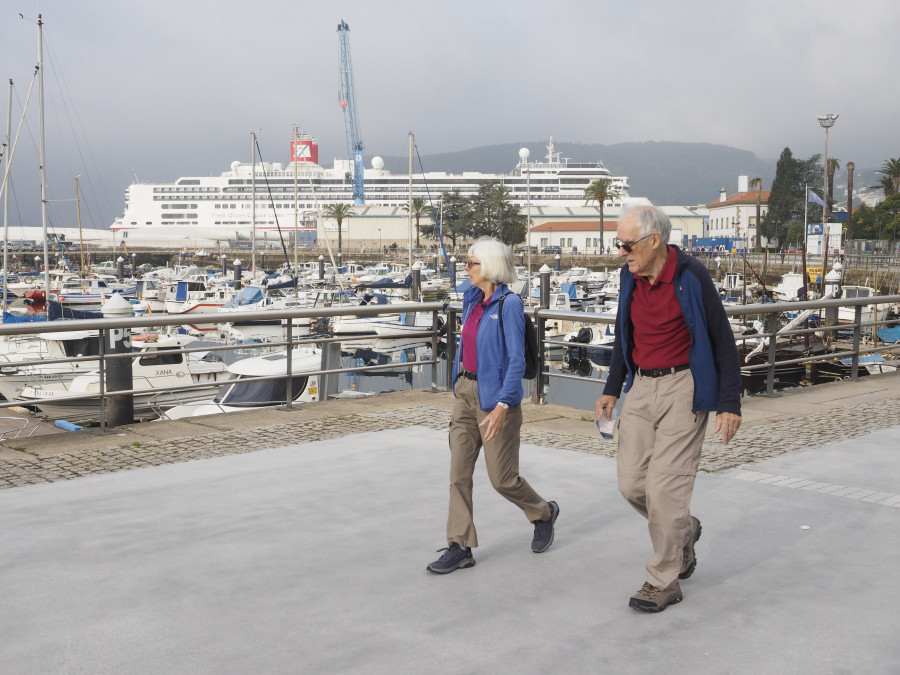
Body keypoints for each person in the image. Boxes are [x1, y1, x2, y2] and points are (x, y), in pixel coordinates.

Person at [596, 206, 741, 613]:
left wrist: (729, 403)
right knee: (631, 484)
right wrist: (612, 388)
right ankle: (683, 531)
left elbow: (722, 342)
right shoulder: (629, 276)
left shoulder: (691, 276)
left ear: (654, 241)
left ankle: (664, 579)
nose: (621, 252)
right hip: (641, 386)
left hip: (684, 388)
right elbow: (626, 335)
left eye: (627, 244)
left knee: (665, 490)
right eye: (619, 244)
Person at [427, 237, 559, 574]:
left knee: (502, 479)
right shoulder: (472, 299)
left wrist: (502, 405)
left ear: (490, 267)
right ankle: (460, 545)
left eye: (471, 263)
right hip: (466, 394)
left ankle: (543, 512)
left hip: (496, 400)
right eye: (466, 262)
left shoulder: (509, 305)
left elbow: (517, 361)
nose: (465, 267)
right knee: (459, 474)